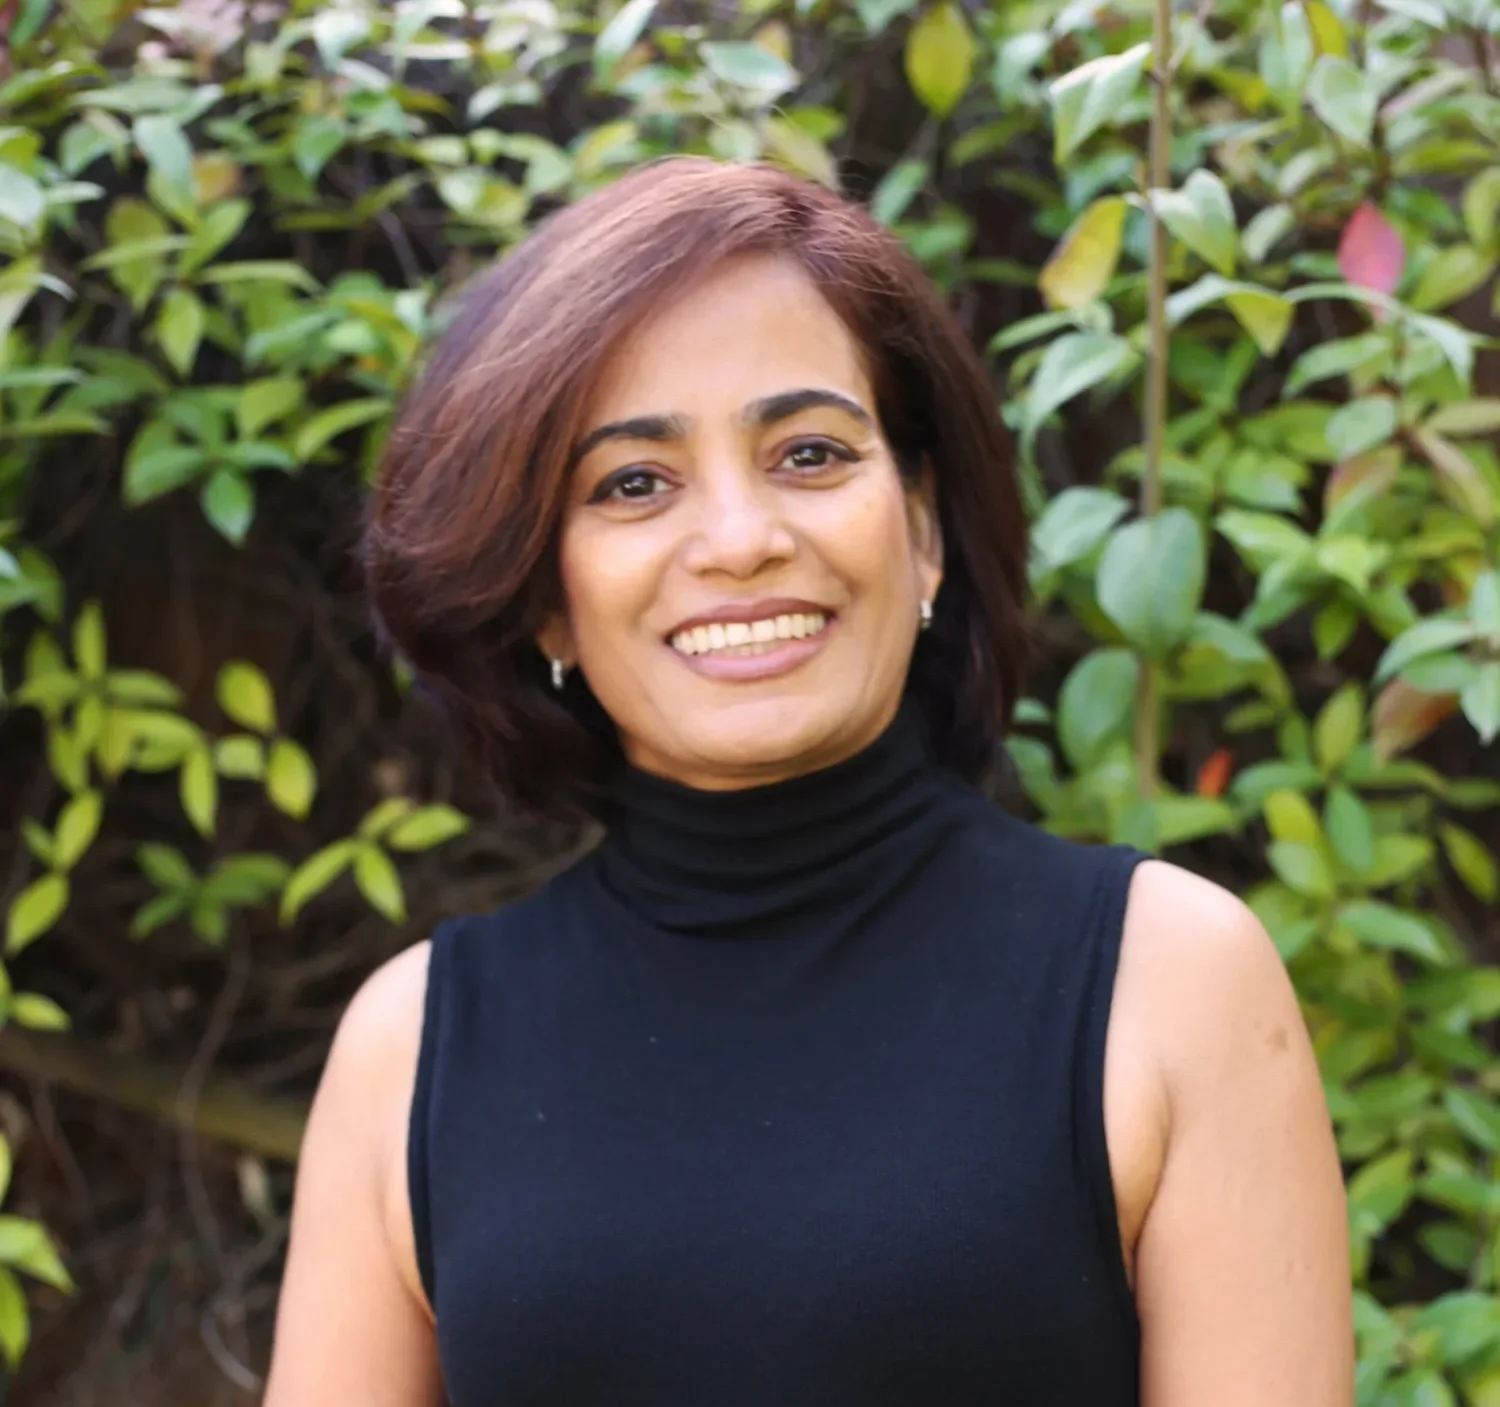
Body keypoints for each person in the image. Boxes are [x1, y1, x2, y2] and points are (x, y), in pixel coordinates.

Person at [263, 157, 1353, 1407]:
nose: (740, 539)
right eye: (633, 483)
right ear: (545, 601)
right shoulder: (413, 1049)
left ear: (924, 528)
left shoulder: (1173, 985)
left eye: (811, 453)